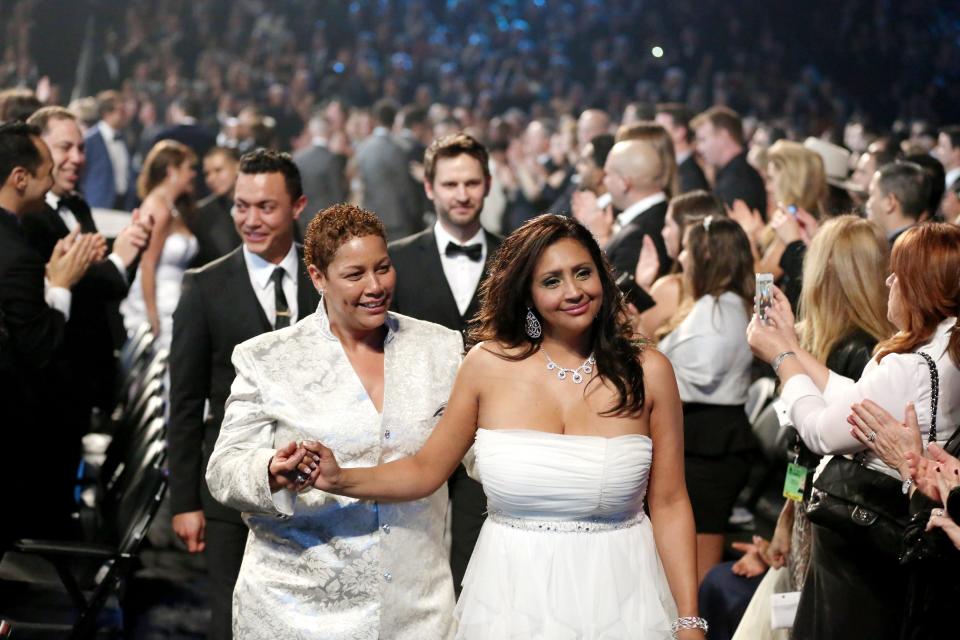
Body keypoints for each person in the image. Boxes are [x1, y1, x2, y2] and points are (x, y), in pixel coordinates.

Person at [299, 214, 705, 639]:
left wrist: (689, 619)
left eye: (583, 273)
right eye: (552, 281)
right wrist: (340, 478)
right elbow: (424, 471)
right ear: (527, 294)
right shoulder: (486, 366)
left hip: (626, 599)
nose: (574, 292)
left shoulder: (649, 371)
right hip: (510, 603)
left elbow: (671, 502)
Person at [204, 203, 462, 639]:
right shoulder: (268, 358)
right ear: (318, 277)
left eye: (383, 268)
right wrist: (271, 469)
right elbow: (223, 470)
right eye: (355, 274)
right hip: (297, 609)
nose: (376, 286)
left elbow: (477, 454)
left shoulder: (440, 348)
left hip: (416, 605)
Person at [746, 222, 960, 640]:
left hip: (864, 549)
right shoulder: (943, 349)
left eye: (899, 273)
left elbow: (821, 432)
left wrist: (781, 358)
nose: (889, 282)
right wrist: (791, 346)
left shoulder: (907, 364)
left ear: (921, 286)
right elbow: (861, 399)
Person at [168, 148, 321, 640]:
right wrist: (184, 501)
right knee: (231, 624)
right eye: (241, 206)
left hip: (318, 486)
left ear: (297, 207)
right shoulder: (204, 287)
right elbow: (186, 403)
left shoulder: (326, 280)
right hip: (231, 489)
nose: (250, 220)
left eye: (265, 207)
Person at [388, 132, 502, 593]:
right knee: (411, 557)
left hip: (492, 429)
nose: (462, 194)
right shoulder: (393, 260)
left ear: (488, 185)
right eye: (451, 184)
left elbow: (533, 333)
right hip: (415, 429)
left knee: (480, 564)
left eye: (471, 183)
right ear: (430, 187)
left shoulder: (515, 257)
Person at [0, 121, 97, 548]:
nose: (52, 182)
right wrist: (59, 286)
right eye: (47, 172)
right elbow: (37, 349)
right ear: (20, 178)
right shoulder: (17, 253)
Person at [22, 106, 152, 425]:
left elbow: (107, 287)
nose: (78, 158)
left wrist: (129, 253)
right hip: (52, 381)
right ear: (37, 150)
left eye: (81, 148)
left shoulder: (78, 205)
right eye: (65, 147)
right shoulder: (29, 218)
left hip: (90, 373)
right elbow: (80, 290)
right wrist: (118, 258)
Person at [656, 216, 757, 583]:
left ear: (708, 254)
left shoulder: (719, 313)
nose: (681, 257)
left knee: (695, 575)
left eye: (687, 248)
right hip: (705, 439)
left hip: (710, 443)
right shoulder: (720, 307)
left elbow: (703, 370)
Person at [120, 140, 198, 349]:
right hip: (161, 302)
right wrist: (152, 314)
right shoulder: (158, 208)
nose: (193, 174)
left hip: (174, 298)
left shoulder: (173, 207)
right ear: (172, 171)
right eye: (188, 168)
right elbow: (147, 263)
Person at [632, 190, 725, 337]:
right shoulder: (732, 285)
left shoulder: (671, 288)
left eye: (668, 225)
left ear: (689, 229)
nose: (663, 232)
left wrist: (641, 288)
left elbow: (641, 345)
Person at [692, 106, 767, 218]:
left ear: (723, 135)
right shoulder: (734, 174)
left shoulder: (739, 179)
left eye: (703, 139)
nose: (699, 148)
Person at [79, 90, 135, 210]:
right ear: (106, 113)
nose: (125, 115)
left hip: (124, 204)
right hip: (99, 205)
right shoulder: (89, 140)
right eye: (121, 110)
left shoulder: (125, 138)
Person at [190, 146, 241, 267]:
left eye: (218, 170)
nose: (211, 179)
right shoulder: (201, 214)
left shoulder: (262, 205)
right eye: (207, 174)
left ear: (238, 166)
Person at [865, 161, 930, 245]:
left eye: (872, 195)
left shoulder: (890, 253)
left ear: (890, 202)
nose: (867, 204)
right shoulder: (926, 246)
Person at [655, 103, 710, 194]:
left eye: (660, 129)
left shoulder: (690, 176)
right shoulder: (678, 169)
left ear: (680, 132)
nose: (655, 135)